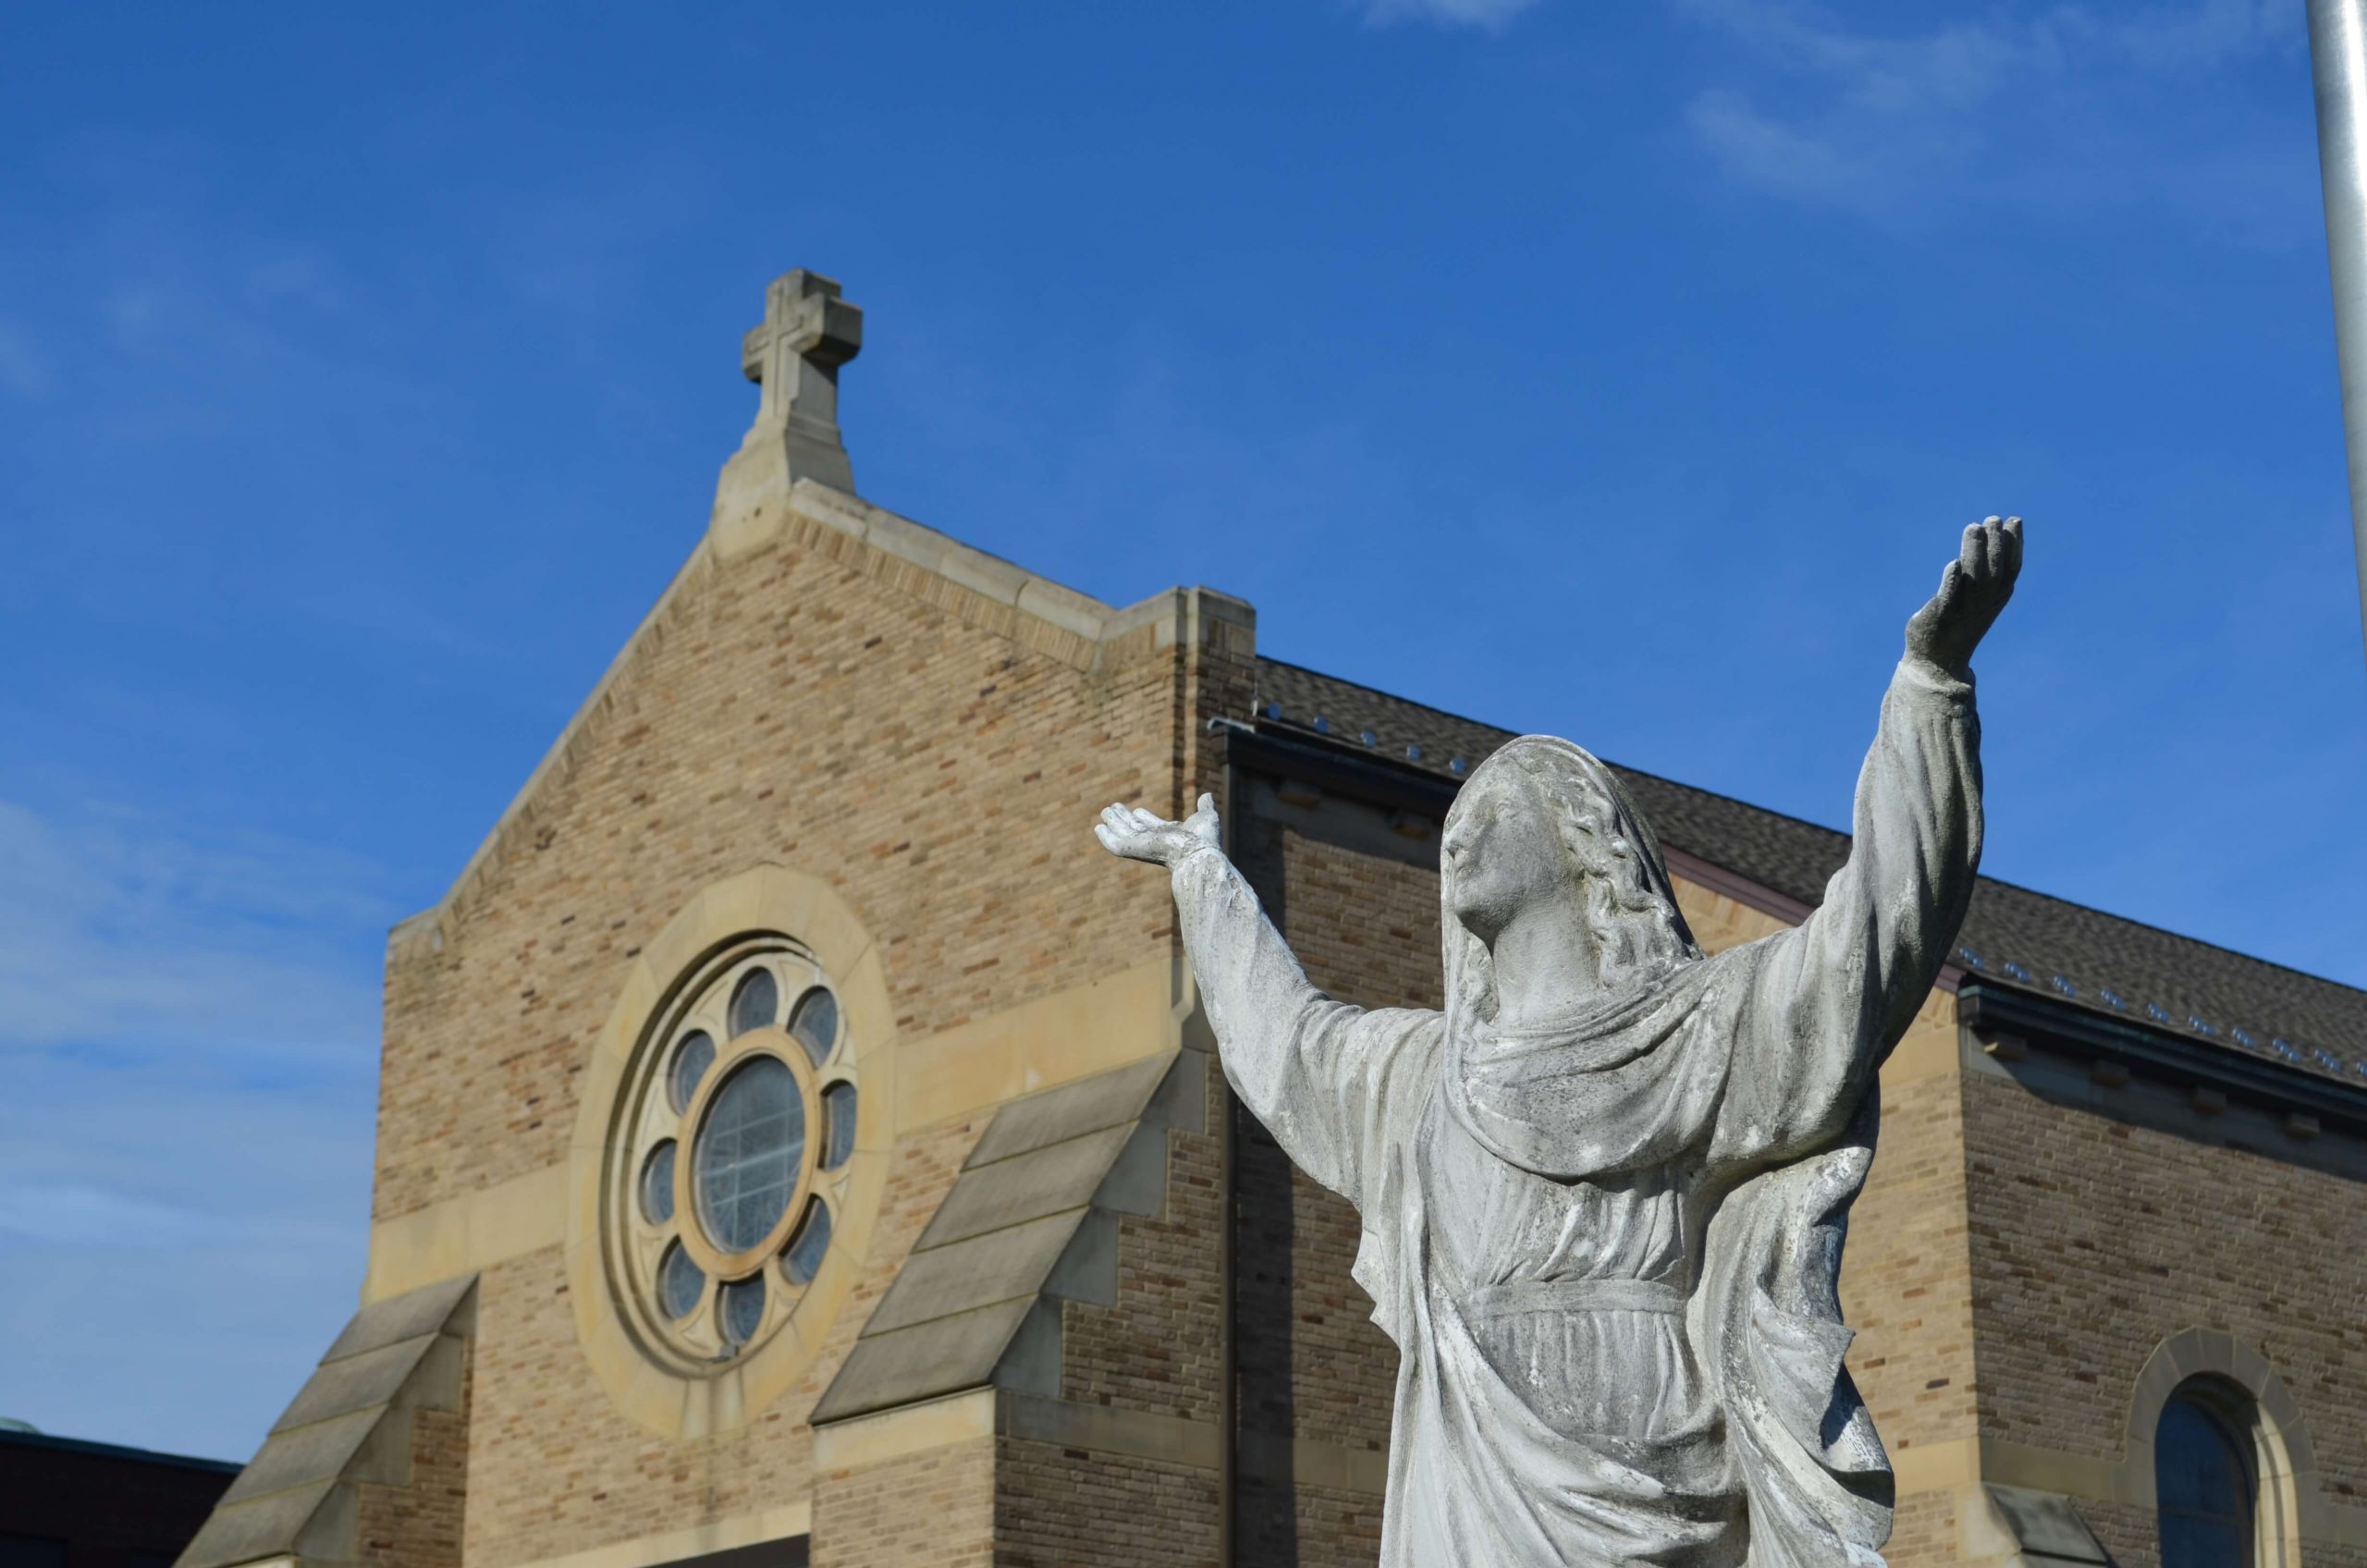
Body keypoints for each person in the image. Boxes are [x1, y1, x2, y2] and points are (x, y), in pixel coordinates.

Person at [1093, 518, 2021, 1567]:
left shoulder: (1696, 1029)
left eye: (1492, 806)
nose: (1459, 831)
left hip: (1651, 1470)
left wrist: (1930, 686)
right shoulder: (1421, 1079)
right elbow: (1285, 1043)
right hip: (1465, 1468)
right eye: (1454, 821)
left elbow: (1877, 937)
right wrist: (1203, 878)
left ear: (1582, 838)